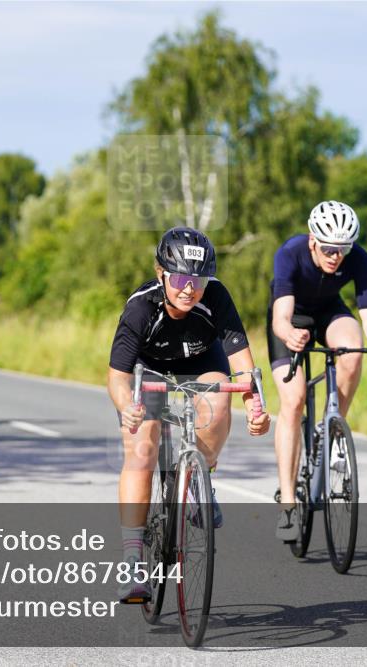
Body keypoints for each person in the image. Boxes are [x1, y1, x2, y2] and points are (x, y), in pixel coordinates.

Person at [107, 226, 271, 603]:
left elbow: (243, 367)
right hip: (148, 369)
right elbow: (116, 376)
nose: (189, 289)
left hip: (201, 361)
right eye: (180, 279)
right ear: (161, 273)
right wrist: (127, 407)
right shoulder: (141, 307)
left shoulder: (216, 297)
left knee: (218, 403)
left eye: (198, 280)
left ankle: (201, 477)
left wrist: (256, 407)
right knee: (142, 449)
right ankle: (132, 562)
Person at [267, 201, 367, 541]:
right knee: (294, 400)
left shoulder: (360, 259)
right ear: (313, 240)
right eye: (328, 248)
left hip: (329, 312)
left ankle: (332, 429)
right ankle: (287, 501)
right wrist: (290, 334)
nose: (336, 256)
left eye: (343, 249)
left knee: (353, 350)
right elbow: (280, 317)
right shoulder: (290, 253)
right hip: (292, 317)